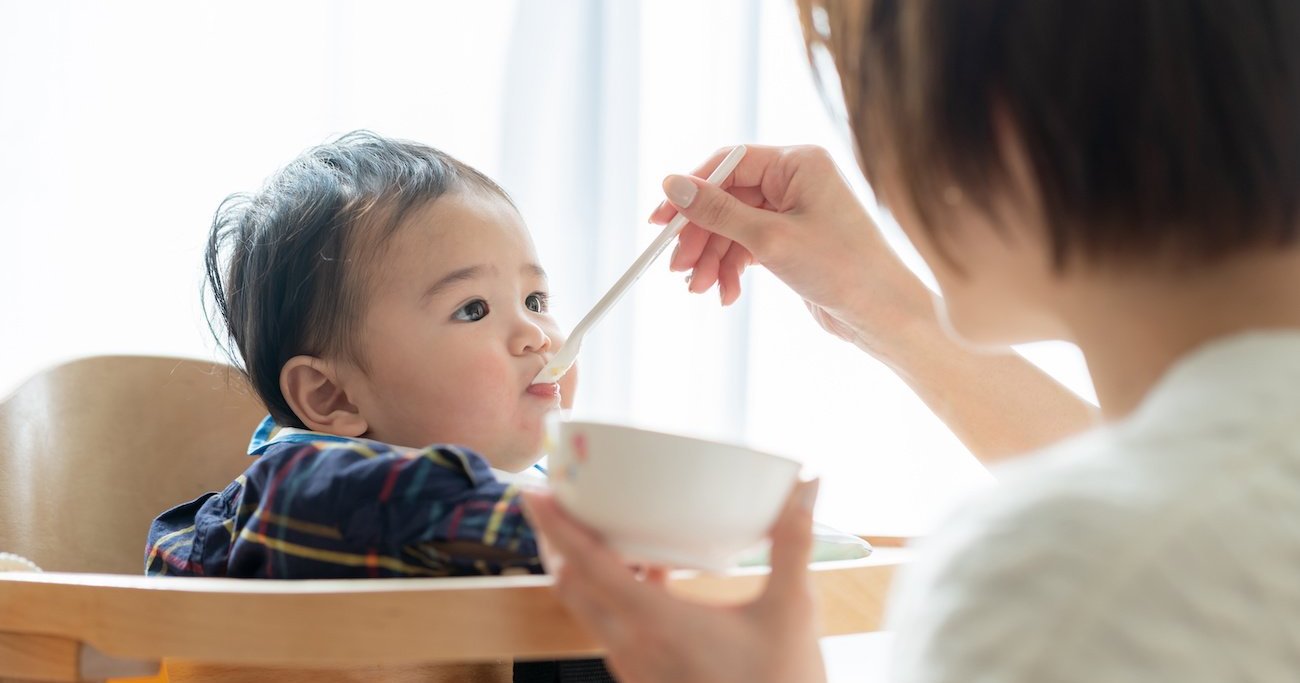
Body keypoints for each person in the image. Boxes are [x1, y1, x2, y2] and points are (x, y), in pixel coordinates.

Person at [522, 1, 1300, 681]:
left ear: (998, 115)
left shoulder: (1067, 574)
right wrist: (887, 307)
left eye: (876, 101)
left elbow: (1145, 532)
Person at [145, 131, 613, 680]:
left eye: (535, 300)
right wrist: (583, 534)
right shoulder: (292, 504)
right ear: (332, 396)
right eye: (473, 309)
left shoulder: (537, 493)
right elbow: (375, 503)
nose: (537, 334)